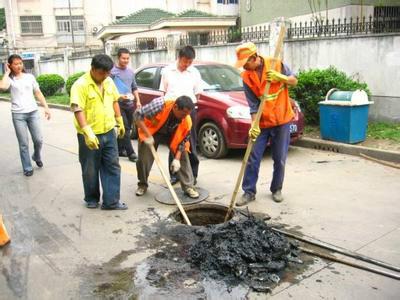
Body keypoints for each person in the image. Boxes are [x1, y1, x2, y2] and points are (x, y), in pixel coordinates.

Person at [234, 42, 298, 206]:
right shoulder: (246, 77)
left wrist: (280, 77)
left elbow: (294, 81)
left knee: (280, 158)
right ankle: (249, 191)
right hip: (262, 122)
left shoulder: (275, 63)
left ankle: (276, 189)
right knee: (252, 157)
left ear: (254, 58)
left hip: (282, 119)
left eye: (245, 63)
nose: (244, 67)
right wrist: (253, 125)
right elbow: (253, 104)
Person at [70, 54, 128, 210]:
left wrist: (119, 119)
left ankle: (111, 201)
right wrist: (87, 131)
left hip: (109, 131)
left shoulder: (108, 81)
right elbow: (77, 108)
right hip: (89, 134)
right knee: (90, 167)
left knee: (112, 166)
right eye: (102, 73)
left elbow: (115, 100)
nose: (105, 76)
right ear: (93, 69)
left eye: (108, 73)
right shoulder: (80, 85)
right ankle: (91, 198)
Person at [134, 95, 199, 199]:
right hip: (152, 132)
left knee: (183, 156)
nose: (185, 116)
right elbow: (137, 115)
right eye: (183, 114)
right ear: (176, 107)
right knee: (144, 159)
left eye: (187, 114)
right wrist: (148, 135)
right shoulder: (160, 105)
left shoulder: (187, 119)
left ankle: (188, 187)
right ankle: (142, 184)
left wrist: (176, 159)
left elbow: (183, 141)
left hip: (171, 134)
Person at [0, 54, 51, 176]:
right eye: (15, 64)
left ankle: (36, 156)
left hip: (33, 112)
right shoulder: (9, 79)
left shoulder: (29, 77)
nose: (18, 66)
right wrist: (7, 73)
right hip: (18, 115)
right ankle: (27, 167)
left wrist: (46, 107)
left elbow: (37, 93)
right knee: (23, 143)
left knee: (38, 139)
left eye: (20, 63)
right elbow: (3, 87)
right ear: (10, 65)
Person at [160, 45, 202, 185]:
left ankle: (193, 175)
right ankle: (174, 175)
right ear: (179, 57)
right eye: (185, 61)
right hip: (173, 112)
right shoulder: (167, 71)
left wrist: (190, 110)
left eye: (190, 62)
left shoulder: (194, 72)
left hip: (189, 112)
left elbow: (198, 93)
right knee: (173, 143)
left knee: (190, 143)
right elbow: (164, 93)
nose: (187, 65)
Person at [110, 48, 142, 162]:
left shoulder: (130, 72)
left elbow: (134, 87)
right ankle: (131, 153)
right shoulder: (112, 72)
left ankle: (119, 149)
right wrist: (118, 96)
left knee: (126, 129)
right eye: (123, 58)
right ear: (118, 58)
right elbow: (108, 89)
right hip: (117, 103)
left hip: (130, 103)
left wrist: (137, 100)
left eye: (127, 58)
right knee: (126, 127)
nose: (126, 60)